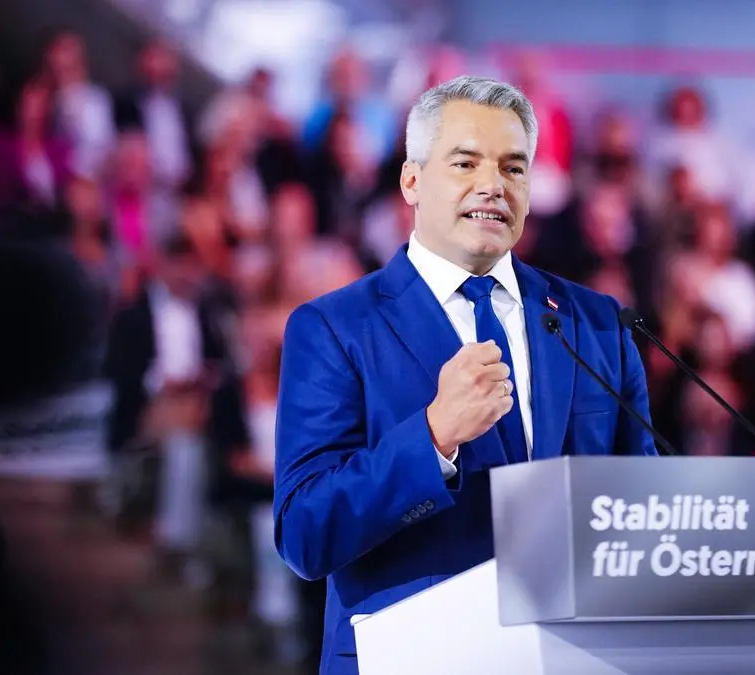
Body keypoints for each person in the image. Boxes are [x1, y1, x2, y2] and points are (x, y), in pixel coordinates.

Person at [274, 75, 658, 675]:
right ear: (411, 181)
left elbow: (646, 511)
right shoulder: (334, 329)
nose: (492, 185)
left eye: (513, 168)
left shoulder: (597, 323)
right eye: (465, 163)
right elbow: (305, 533)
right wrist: (432, 438)